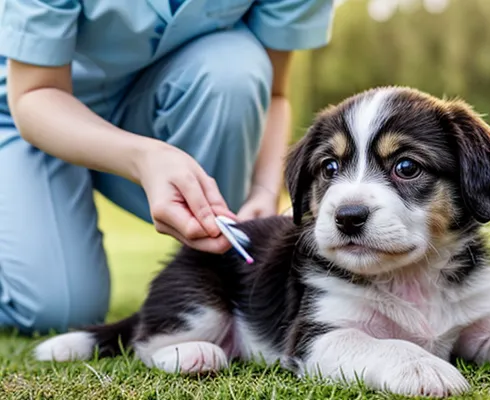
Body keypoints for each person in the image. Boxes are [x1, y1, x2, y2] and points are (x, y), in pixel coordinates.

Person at [0, 0, 335, 335]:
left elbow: (273, 93)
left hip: (161, 101)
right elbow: (35, 91)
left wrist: (263, 189)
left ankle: (217, 295)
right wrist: (144, 158)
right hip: (34, 114)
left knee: (234, 69)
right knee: (58, 308)